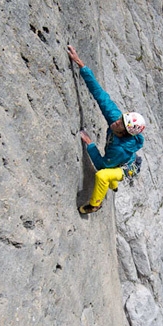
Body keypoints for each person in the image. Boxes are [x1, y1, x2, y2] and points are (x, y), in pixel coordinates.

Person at [68, 45, 146, 214]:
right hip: (122, 159)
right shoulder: (117, 120)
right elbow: (101, 96)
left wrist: (90, 144)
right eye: (120, 119)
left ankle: (94, 205)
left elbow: (102, 165)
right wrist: (81, 64)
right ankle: (113, 183)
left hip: (129, 168)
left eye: (120, 124)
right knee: (111, 171)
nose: (116, 122)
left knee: (104, 176)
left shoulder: (120, 148)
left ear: (125, 132)